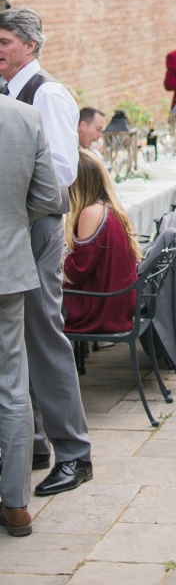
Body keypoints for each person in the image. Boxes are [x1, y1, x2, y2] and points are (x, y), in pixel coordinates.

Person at [0, 7, 92, 497]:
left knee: (43, 335)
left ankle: (74, 454)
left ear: (31, 46)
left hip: (36, 229)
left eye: (5, 42)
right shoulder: (6, 96)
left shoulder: (48, 94)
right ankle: (32, 443)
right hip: (12, 229)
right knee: (14, 339)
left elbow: (62, 174)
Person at [0, 91, 63, 536]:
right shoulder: (23, 116)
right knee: (12, 385)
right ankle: (17, 502)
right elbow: (46, 196)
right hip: (7, 264)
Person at [63, 153, 141, 334]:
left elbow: (78, 272)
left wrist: (60, 253)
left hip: (101, 310)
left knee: (38, 299)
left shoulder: (90, 213)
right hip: (120, 304)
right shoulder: (111, 208)